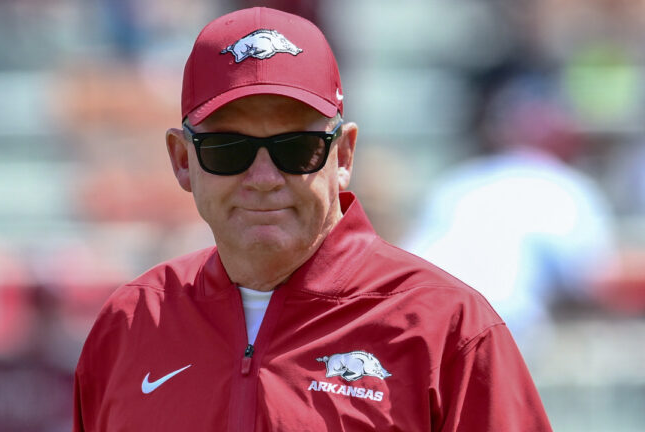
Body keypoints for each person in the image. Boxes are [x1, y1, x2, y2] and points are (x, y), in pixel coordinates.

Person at [73, 7, 552, 431]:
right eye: (228, 148)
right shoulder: (129, 326)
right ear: (182, 160)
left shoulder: (448, 328)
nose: (263, 177)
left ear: (342, 155)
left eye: (296, 148)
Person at [403, 75, 619, 363]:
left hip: (413, 310)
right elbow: (597, 279)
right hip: (495, 323)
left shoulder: (459, 179)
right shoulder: (567, 187)